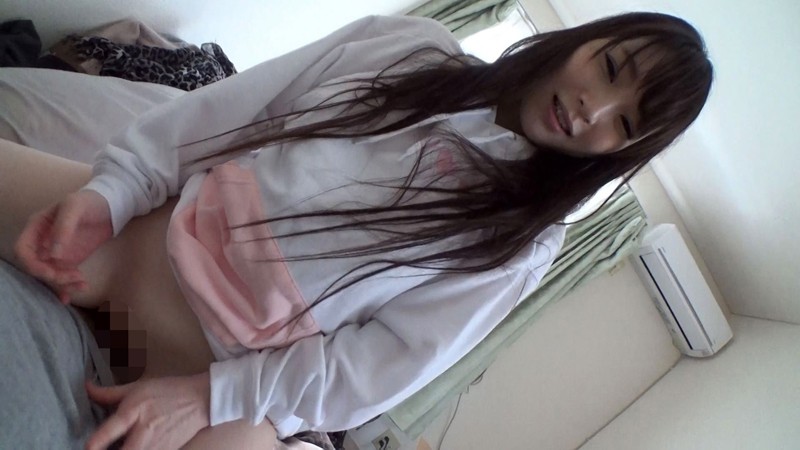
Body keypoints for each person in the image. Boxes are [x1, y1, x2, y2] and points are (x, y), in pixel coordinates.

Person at [0, 11, 712, 450]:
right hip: (140, 248)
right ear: (587, 40)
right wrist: (113, 192)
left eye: (623, 124)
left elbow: (375, 369)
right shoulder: (409, 48)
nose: (591, 112)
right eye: (609, 68)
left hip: (219, 383)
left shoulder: (521, 248)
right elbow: (230, 112)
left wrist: (204, 399)